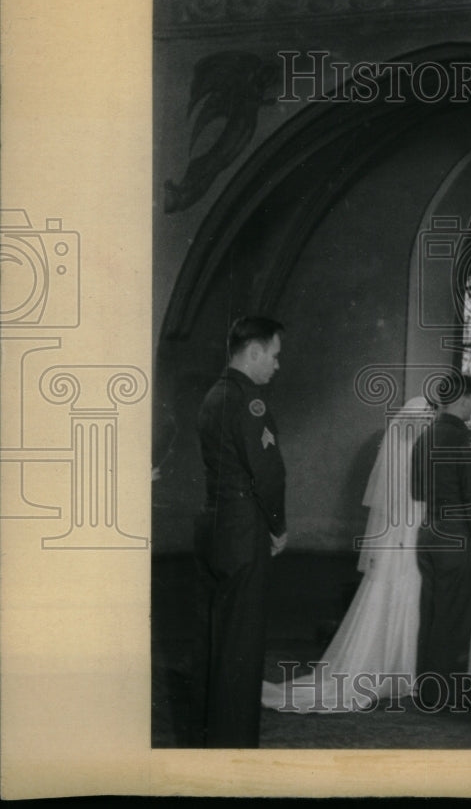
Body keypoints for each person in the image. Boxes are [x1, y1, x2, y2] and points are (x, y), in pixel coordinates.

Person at [260, 392, 471, 713]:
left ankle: (412, 671)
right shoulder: (425, 450)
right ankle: (413, 673)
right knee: (422, 603)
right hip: (420, 537)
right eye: (430, 419)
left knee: (418, 604)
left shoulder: (414, 452)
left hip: (416, 537)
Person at [193, 315, 287, 748]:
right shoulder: (251, 402)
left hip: (216, 527)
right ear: (254, 352)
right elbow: (268, 475)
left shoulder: (213, 395)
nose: (276, 365)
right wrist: (278, 526)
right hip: (246, 533)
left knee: (220, 638)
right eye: (274, 354)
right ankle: (234, 746)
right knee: (243, 645)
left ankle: (215, 737)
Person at [411, 374, 471, 706]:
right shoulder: (465, 439)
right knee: (454, 617)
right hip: (456, 536)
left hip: (428, 533)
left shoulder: (424, 436)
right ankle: (447, 695)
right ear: (461, 400)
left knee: (431, 614)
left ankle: (428, 690)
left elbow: (416, 490)